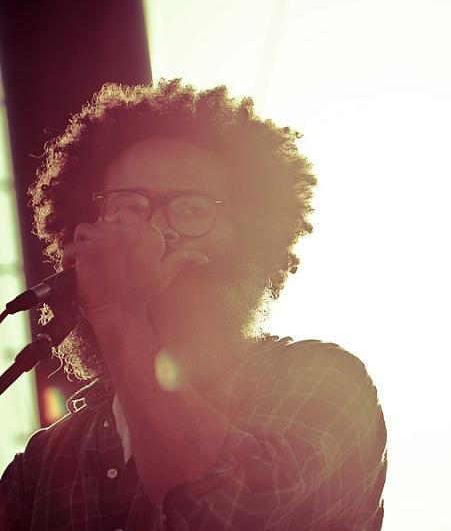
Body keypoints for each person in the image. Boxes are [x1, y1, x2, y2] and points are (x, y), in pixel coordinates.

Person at [0, 79, 387, 530]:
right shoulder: (40, 464)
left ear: (250, 240)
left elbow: (223, 515)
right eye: (128, 207)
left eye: (191, 209)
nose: (155, 233)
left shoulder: (326, 381)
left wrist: (121, 314)